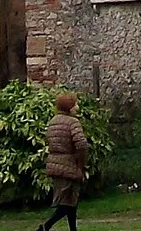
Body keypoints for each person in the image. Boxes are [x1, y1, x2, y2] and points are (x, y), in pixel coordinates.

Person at [37, 92, 89, 231]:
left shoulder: (53, 121)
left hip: (55, 163)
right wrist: (81, 163)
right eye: (75, 104)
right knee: (68, 203)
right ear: (70, 107)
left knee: (70, 200)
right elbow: (81, 144)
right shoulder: (73, 122)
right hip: (69, 164)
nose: (77, 107)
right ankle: (46, 226)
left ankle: (73, 229)